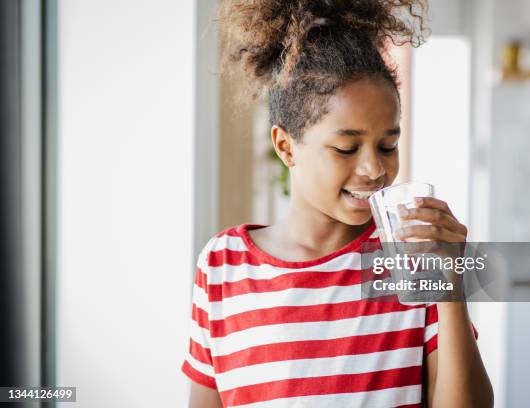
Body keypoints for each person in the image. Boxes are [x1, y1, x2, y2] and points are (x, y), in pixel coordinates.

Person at [182, 1, 493, 406]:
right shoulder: (223, 266)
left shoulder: (413, 263)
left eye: (388, 145)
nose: (374, 169)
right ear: (286, 147)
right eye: (346, 148)